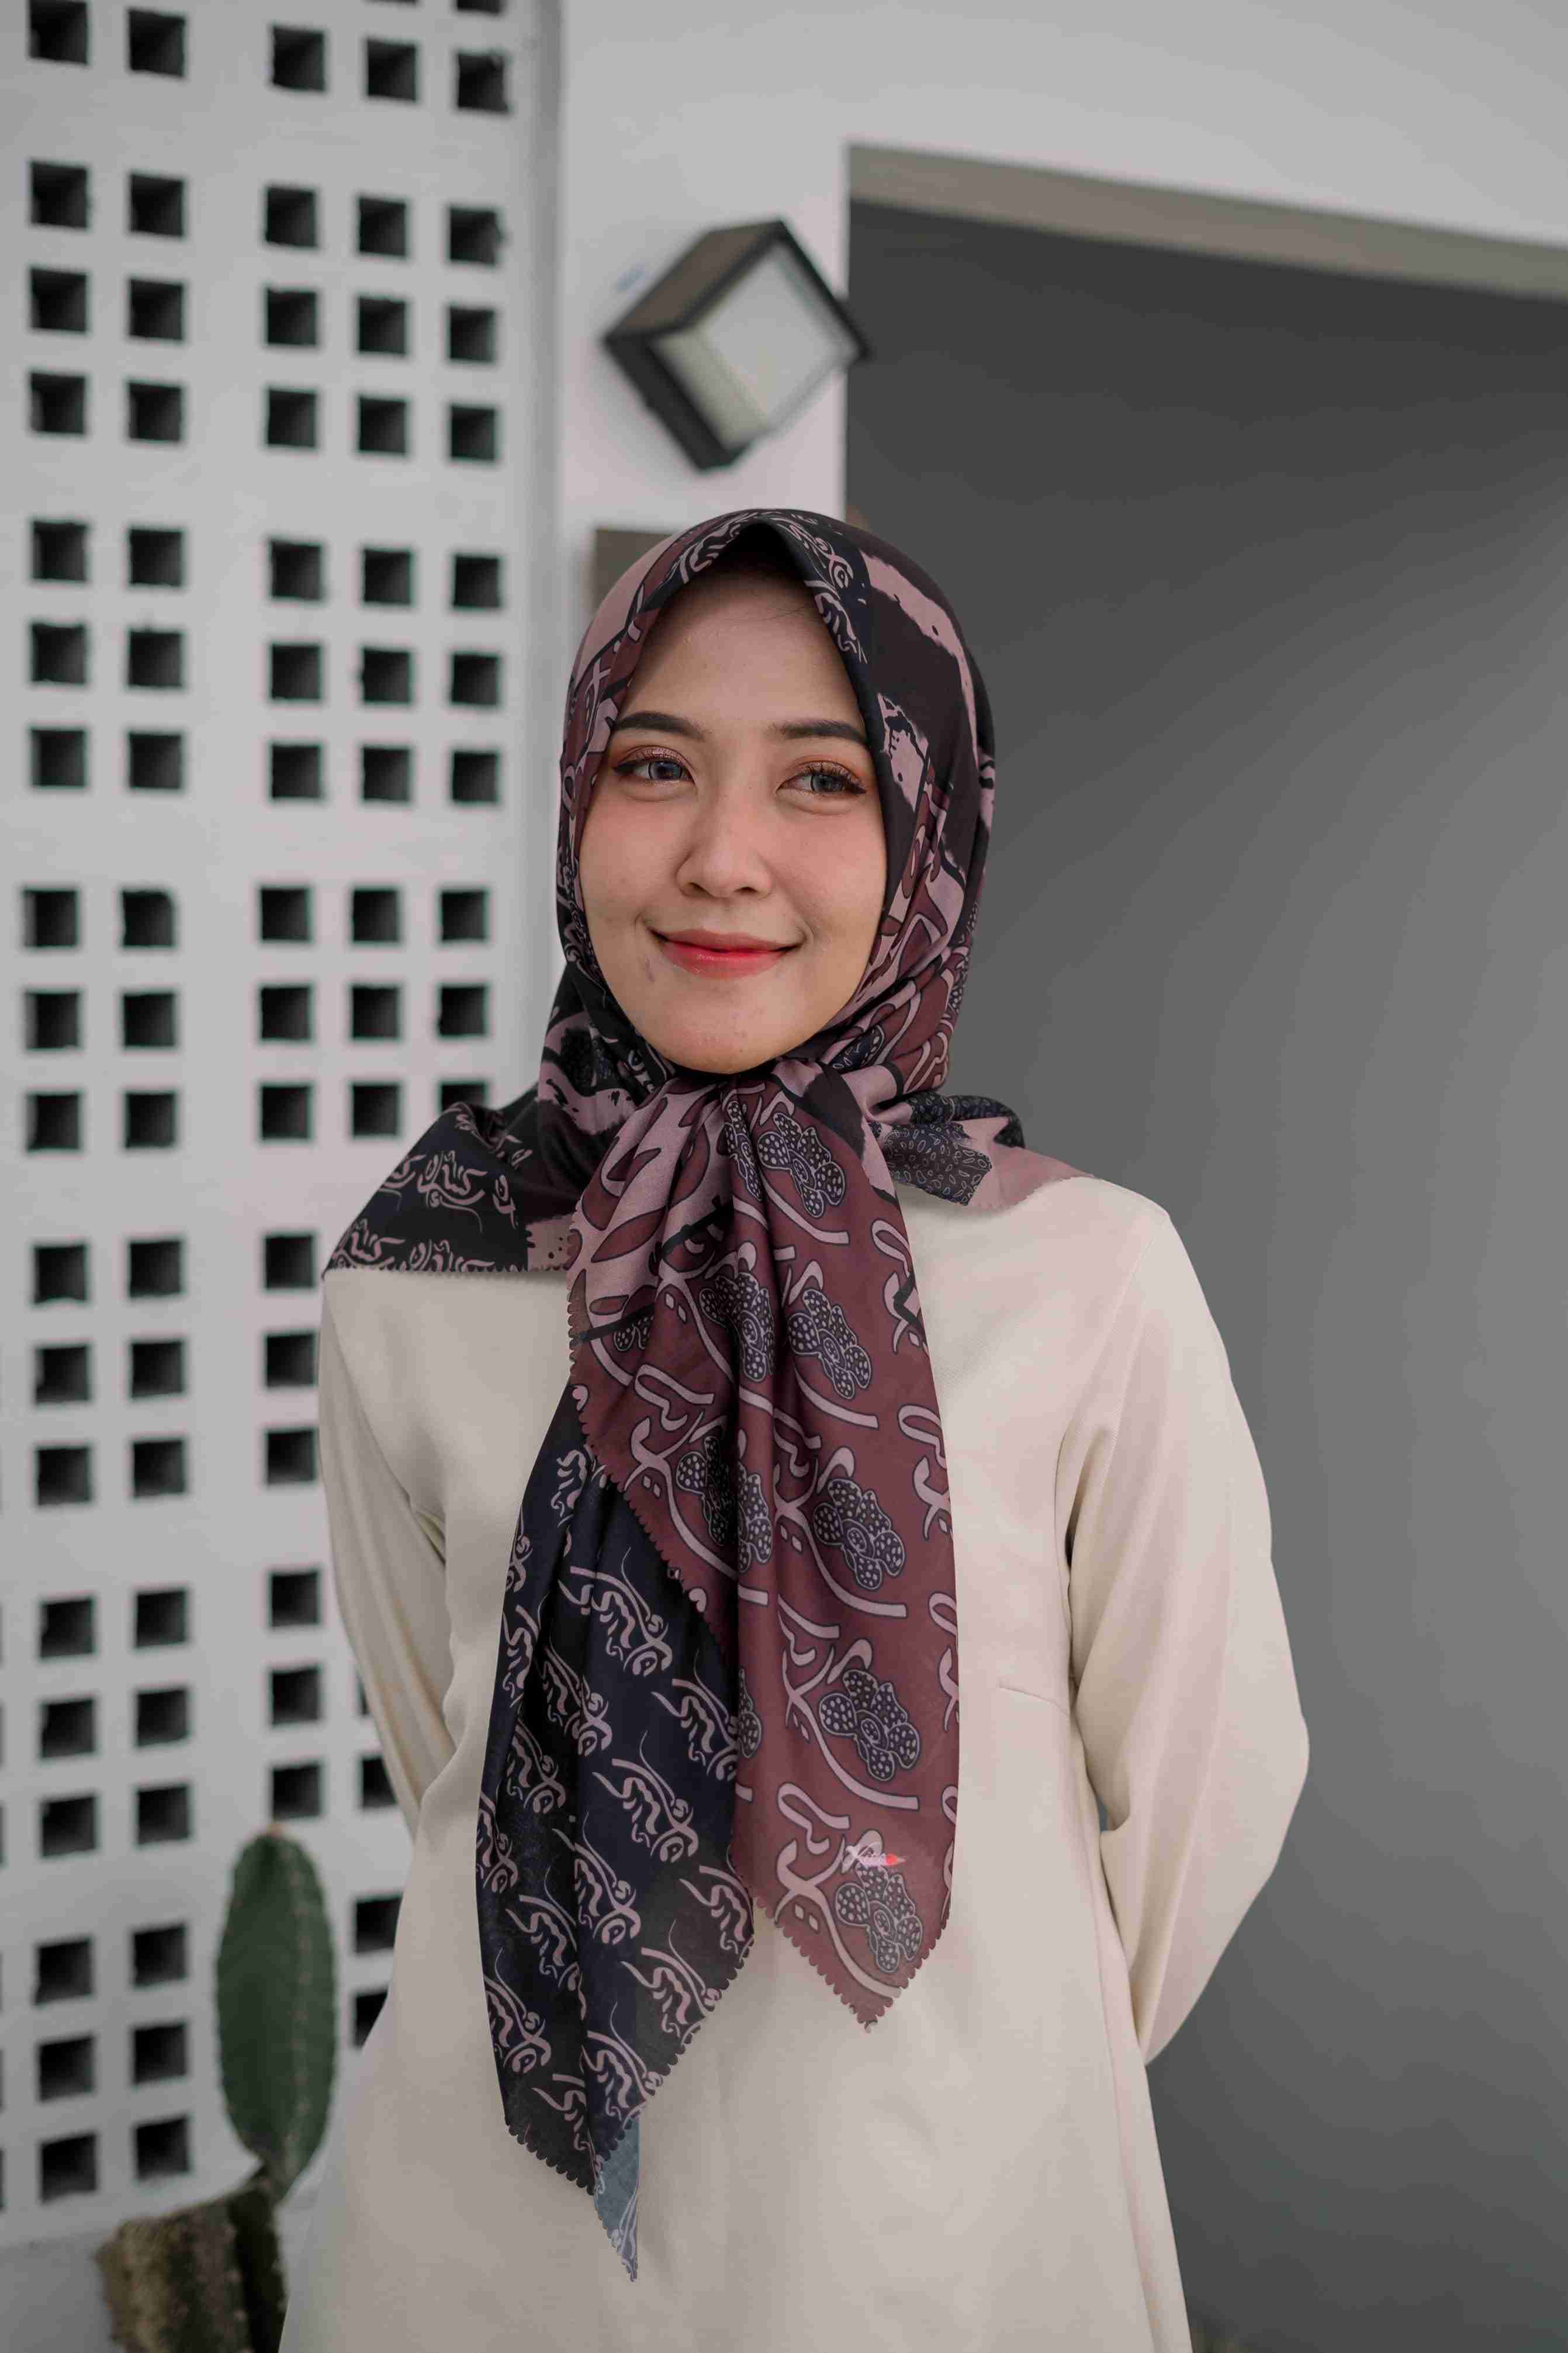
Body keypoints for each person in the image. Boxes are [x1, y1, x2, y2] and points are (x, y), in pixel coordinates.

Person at [278, 508, 1309, 2352]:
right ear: (574, 799)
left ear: (929, 833)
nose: (720, 856)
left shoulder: (1083, 1274)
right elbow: (433, 1733)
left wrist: (992, 2063)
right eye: (652, 765)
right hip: (492, 2229)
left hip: (942, 2229)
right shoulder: (425, 1271)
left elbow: (1203, 1791)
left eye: (820, 779)